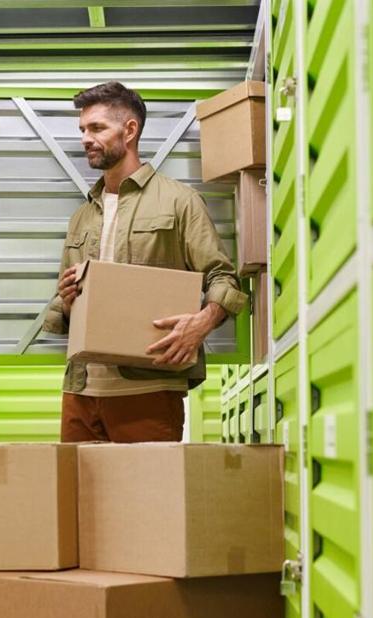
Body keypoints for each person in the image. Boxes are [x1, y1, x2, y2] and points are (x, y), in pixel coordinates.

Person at [43, 81, 247, 442]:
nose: (85, 139)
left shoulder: (179, 201)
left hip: (148, 389)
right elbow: (70, 302)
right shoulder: (81, 217)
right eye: (82, 129)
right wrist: (67, 298)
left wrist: (202, 323)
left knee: (147, 499)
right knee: (78, 499)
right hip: (80, 389)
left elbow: (223, 279)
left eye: (97, 128)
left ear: (130, 130)